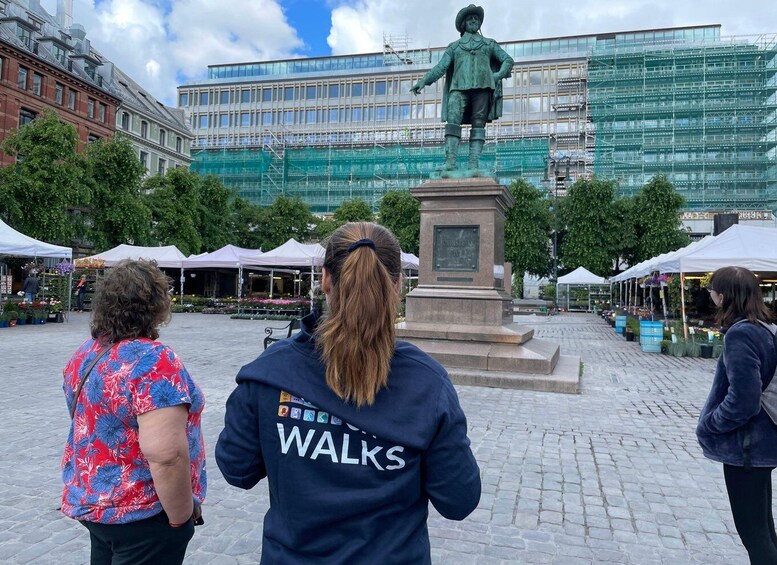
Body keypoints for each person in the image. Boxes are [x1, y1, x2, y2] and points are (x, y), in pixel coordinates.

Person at [216, 222, 481, 564]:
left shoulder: (269, 372)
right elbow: (459, 499)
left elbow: (237, 468)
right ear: (397, 284)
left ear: (325, 279)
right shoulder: (427, 383)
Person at [60, 259, 206, 565]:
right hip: (142, 510)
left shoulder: (86, 353)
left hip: (95, 502)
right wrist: (180, 516)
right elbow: (166, 456)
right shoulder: (153, 361)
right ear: (157, 306)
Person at [696, 266, 777, 564]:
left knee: (754, 534)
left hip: (747, 448)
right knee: (764, 529)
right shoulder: (766, 328)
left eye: (712, 290)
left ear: (723, 295)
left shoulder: (741, 334)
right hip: (762, 445)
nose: (710, 294)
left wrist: (710, 424)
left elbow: (744, 400)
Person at [410, 4, 513, 170]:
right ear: (463, 23)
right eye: (470, 18)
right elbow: (441, 67)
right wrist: (424, 80)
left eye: (476, 18)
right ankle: (450, 163)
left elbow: (507, 60)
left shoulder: (489, 44)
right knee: (452, 121)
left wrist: (498, 75)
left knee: (478, 124)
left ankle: (473, 164)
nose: (474, 20)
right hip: (458, 88)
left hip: (483, 88)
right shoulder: (454, 47)